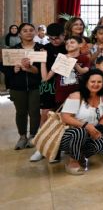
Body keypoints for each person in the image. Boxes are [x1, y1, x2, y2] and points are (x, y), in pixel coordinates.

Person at [59, 70, 103, 175]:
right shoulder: (76, 96)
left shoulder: (102, 99)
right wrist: (86, 126)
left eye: (99, 82)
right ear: (86, 82)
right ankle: (72, 160)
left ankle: (80, 155)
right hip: (68, 136)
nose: (96, 84)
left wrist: (98, 128)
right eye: (93, 81)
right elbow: (65, 117)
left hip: (89, 134)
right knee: (80, 132)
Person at [3, 23, 44, 150]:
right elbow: (4, 68)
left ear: (35, 33)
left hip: (35, 86)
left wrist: (31, 68)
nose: (28, 32)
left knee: (35, 112)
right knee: (20, 112)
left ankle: (33, 136)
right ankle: (22, 137)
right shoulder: (13, 50)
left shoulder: (41, 49)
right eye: (25, 30)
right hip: (17, 87)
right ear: (20, 34)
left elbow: (42, 70)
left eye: (31, 30)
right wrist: (13, 70)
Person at [30, 23, 65, 162]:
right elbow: (43, 76)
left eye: (57, 38)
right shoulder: (44, 48)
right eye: (51, 38)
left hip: (64, 85)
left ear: (64, 35)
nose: (54, 41)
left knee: (62, 115)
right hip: (48, 85)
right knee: (45, 114)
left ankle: (56, 148)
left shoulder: (68, 47)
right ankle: (41, 148)